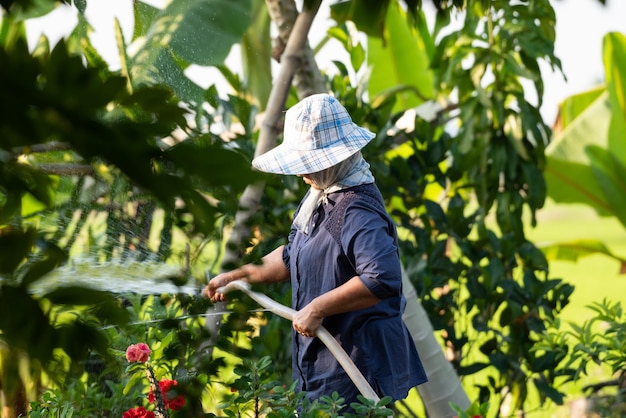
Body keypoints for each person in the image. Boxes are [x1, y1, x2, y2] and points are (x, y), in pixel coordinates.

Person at [203, 93, 427, 408]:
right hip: (323, 364)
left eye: (308, 163)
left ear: (336, 159)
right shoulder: (321, 196)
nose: (300, 173)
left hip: (356, 368)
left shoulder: (357, 209)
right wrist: (238, 276)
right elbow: (291, 254)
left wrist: (318, 307)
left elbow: (381, 278)